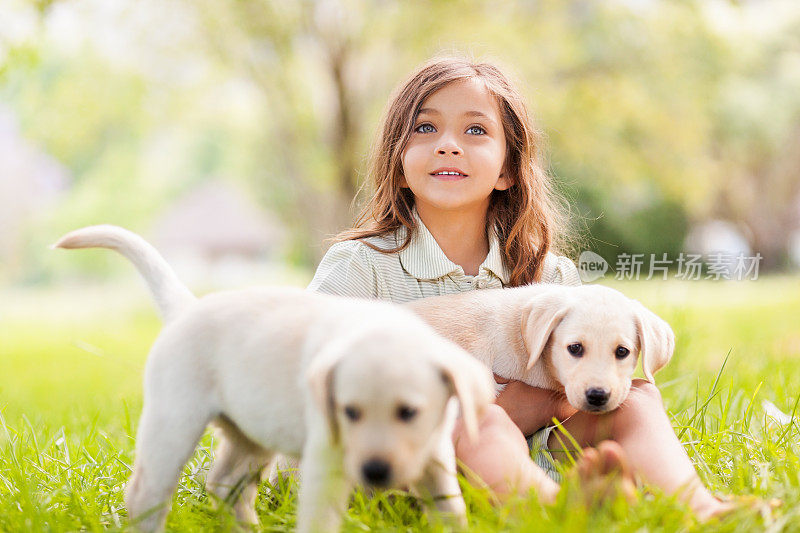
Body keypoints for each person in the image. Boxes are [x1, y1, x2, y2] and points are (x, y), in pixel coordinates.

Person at [307, 55, 732, 520]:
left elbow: (573, 399)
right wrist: (516, 407)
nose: (449, 145)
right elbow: (306, 379)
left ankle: (703, 509)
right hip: (402, 461)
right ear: (398, 157)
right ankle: (559, 512)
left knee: (636, 399)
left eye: (475, 131)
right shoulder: (361, 267)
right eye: (425, 128)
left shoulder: (552, 278)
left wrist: (562, 405)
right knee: (479, 420)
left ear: (508, 169)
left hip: (528, 454)